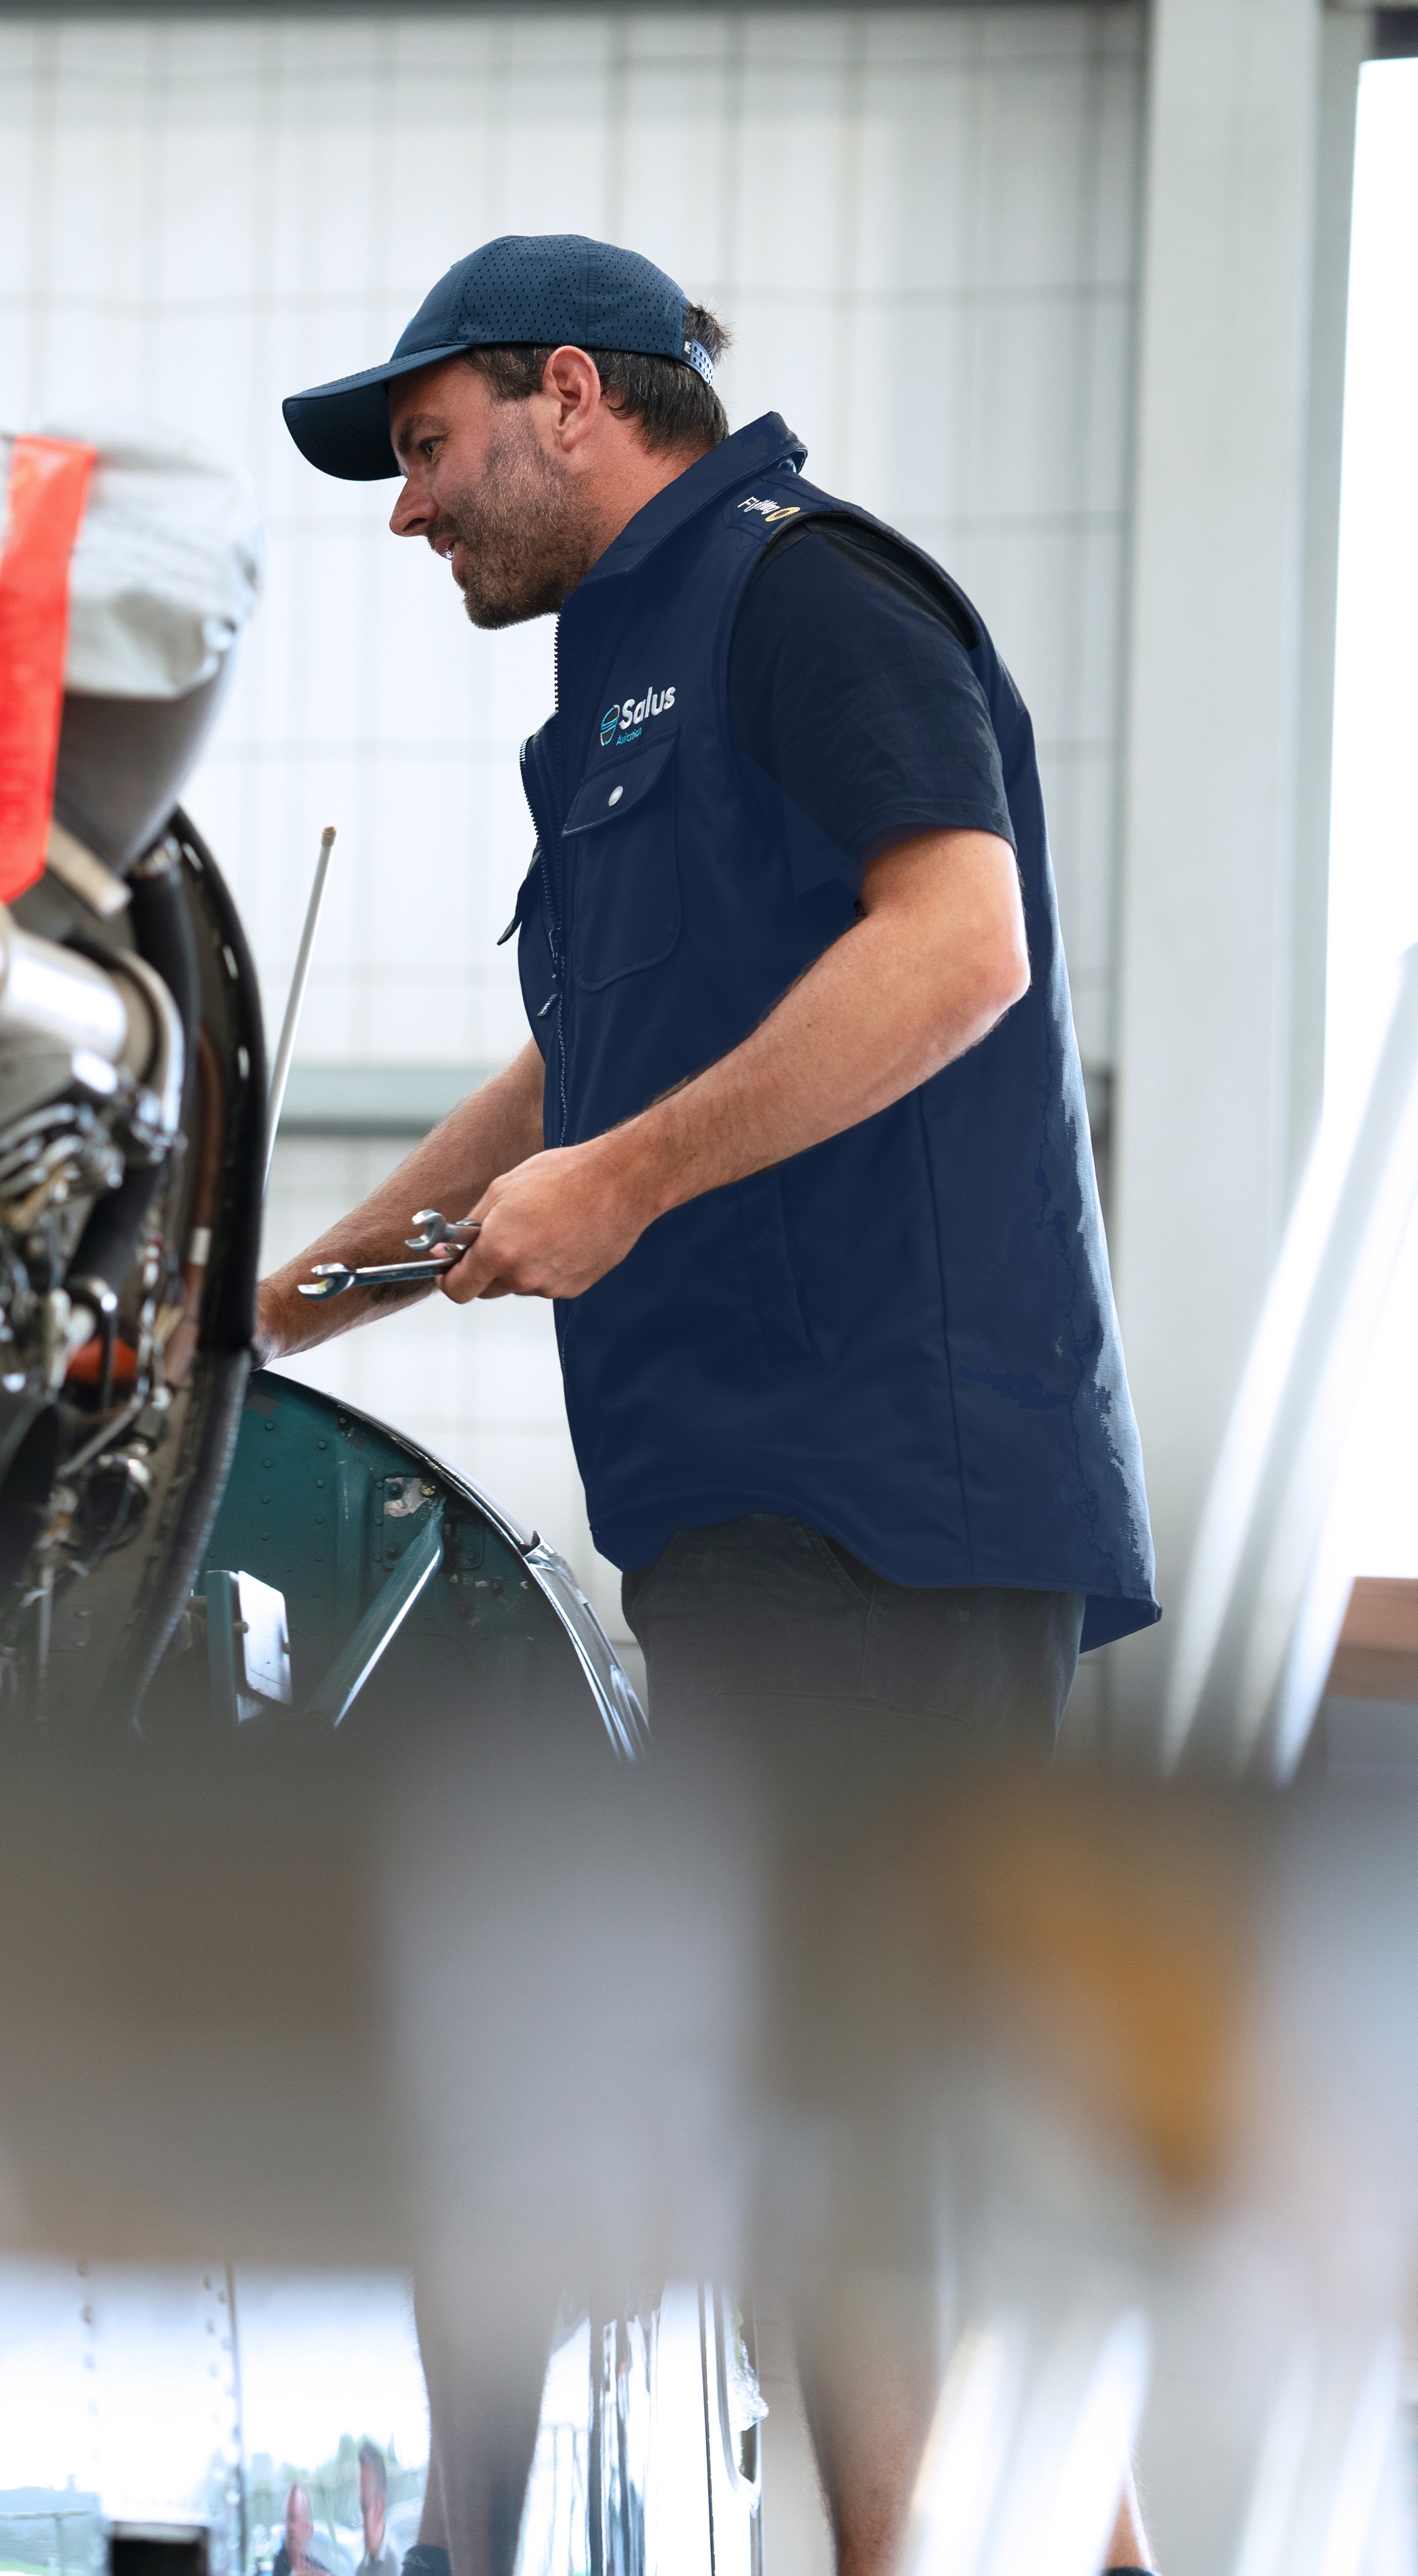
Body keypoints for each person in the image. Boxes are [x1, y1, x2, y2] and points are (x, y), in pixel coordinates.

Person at [259, 237, 1161, 2575]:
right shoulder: (615, 692)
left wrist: (634, 1186)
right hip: (755, 1505)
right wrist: (285, 1305)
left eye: (429, 447)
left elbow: (961, 942)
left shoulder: (801, 598)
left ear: (578, 395)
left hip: (888, 1481)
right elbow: (590, 1060)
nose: (404, 508)